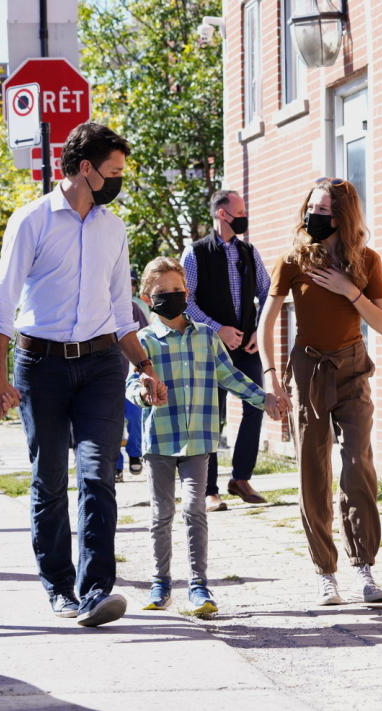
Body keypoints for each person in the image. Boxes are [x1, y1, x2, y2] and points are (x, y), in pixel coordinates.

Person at [0, 122, 167, 628]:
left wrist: (145, 366)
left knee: (97, 476)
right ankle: (59, 587)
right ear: (84, 169)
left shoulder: (113, 228)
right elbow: (1, 308)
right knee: (47, 480)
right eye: (112, 172)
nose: (117, 181)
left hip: (102, 365)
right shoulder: (32, 221)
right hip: (39, 365)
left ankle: (96, 590)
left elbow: (121, 310)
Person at [258, 178, 382, 606]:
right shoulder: (292, 260)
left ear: (345, 218)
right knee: (313, 473)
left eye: (326, 212)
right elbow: (267, 321)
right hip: (308, 368)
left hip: (353, 367)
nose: (315, 218)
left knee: (358, 467)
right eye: (312, 208)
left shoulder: (367, 261)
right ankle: (325, 571)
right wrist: (270, 375)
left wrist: (349, 290)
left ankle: (365, 568)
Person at [128, 257, 283, 614]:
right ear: (148, 297)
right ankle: (160, 584)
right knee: (161, 512)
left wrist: (265, 399)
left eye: (177, 290)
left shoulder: (207, 338)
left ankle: (199, 586)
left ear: (187, 292)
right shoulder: (144, 341)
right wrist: (142, 393)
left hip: (199, 438)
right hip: (160, 441)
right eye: (162, 292)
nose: (171, 296)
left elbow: (231, 377)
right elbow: (131, 385)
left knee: (194, 507)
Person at [181, 190, 272, 513]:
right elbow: (185, 301)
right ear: (222, 214)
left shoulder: (249, 252)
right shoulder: (195, 254)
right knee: (212, 416)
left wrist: (258, 330)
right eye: (240, 210)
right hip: (210, 349)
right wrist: (216, 328)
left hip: (246, 347)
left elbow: (267, 291)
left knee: (256, 403)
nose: (245, 215)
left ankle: (241, 478)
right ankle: (209, 490)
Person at [116, 279, 150, 482]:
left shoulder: (133, 308)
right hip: (106, 377)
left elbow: (145, 336)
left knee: (136, 418)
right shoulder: (97, 307)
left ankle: (135, 452)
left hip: (131, 375)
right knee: (113, 423)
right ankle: (116, 465)